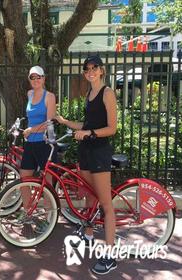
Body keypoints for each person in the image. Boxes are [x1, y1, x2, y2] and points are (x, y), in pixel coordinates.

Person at [56, 55, 118, 275]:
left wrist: (89, 133)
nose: (90, 71)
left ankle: (110, 256)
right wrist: (65, 122)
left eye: (94, 68)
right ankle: (89, 236)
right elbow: (86, 124)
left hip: (100, 152)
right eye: (86, 69)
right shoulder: (89, 94)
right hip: (86, 152)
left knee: (106, 204)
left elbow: (112, 128)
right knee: (89, 197)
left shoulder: (107, 93)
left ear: (102, 70)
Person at [18, 65, 58, 233]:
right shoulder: (29, 94)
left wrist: (31, 130)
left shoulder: (49, 97)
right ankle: (27, 211)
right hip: (30, 143)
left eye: (38, 77)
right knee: (24, 178)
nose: (35, 80)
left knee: (47, 183)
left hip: (45, 143)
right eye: (32, 78)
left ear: (44, 79)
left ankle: (49, 217)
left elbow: (49, 123)